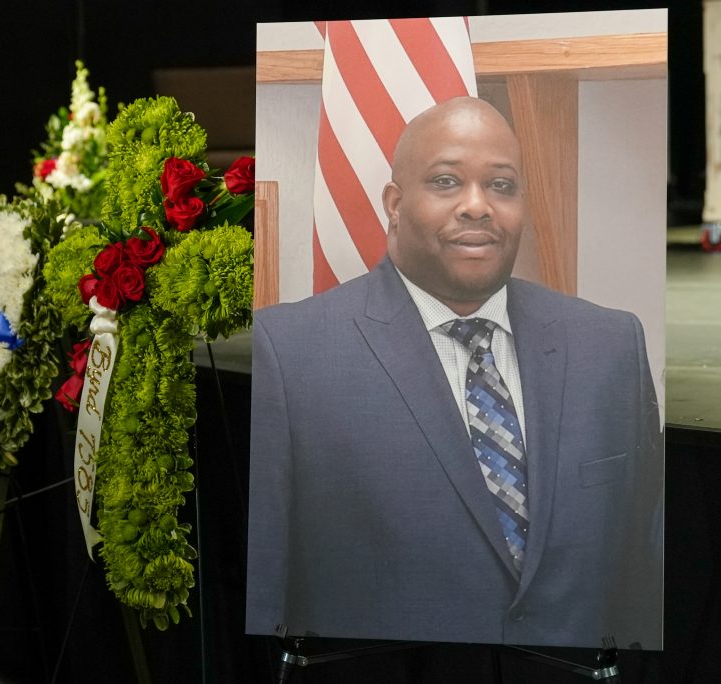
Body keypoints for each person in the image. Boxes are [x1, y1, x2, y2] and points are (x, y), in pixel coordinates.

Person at [246, 97, 663, 649]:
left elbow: (645, 582)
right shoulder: (291, 354)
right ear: (394, 204)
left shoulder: (611, 346)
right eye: (446, 182)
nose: (477, 206)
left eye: (502, 185)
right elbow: (267, 595)